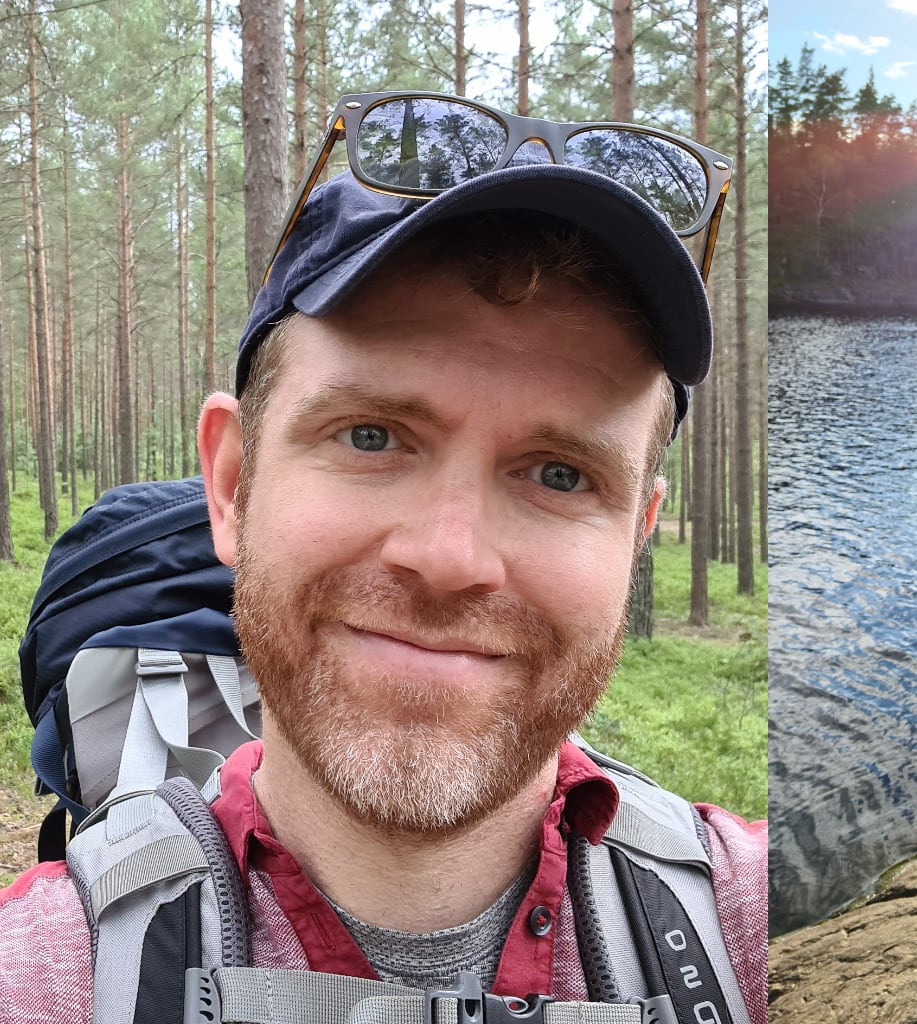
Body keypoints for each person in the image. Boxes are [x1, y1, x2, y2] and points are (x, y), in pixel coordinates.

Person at [0, 92, 765, 1023]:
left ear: (637, 534)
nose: (450, 559)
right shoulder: (46, 973)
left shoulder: (752, 925)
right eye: (371, 436)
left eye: (560, 473)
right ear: (233, 484)